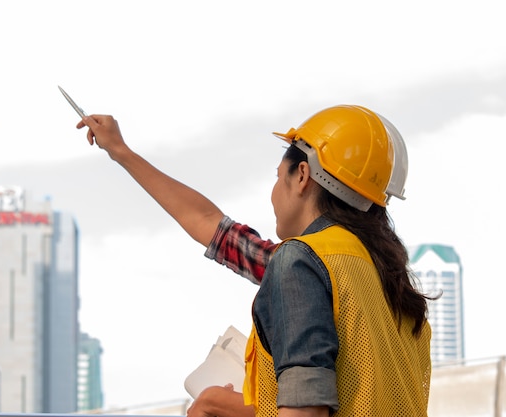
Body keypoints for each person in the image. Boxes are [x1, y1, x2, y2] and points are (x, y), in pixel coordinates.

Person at [77, 105, 433, 417]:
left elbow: (306, 410)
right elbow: (211, 226)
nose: (275, 192)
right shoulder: (381, 275)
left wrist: (217, 403)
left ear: (303, 176)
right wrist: (121, 151)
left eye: (278, 177)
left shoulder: (301, 262)